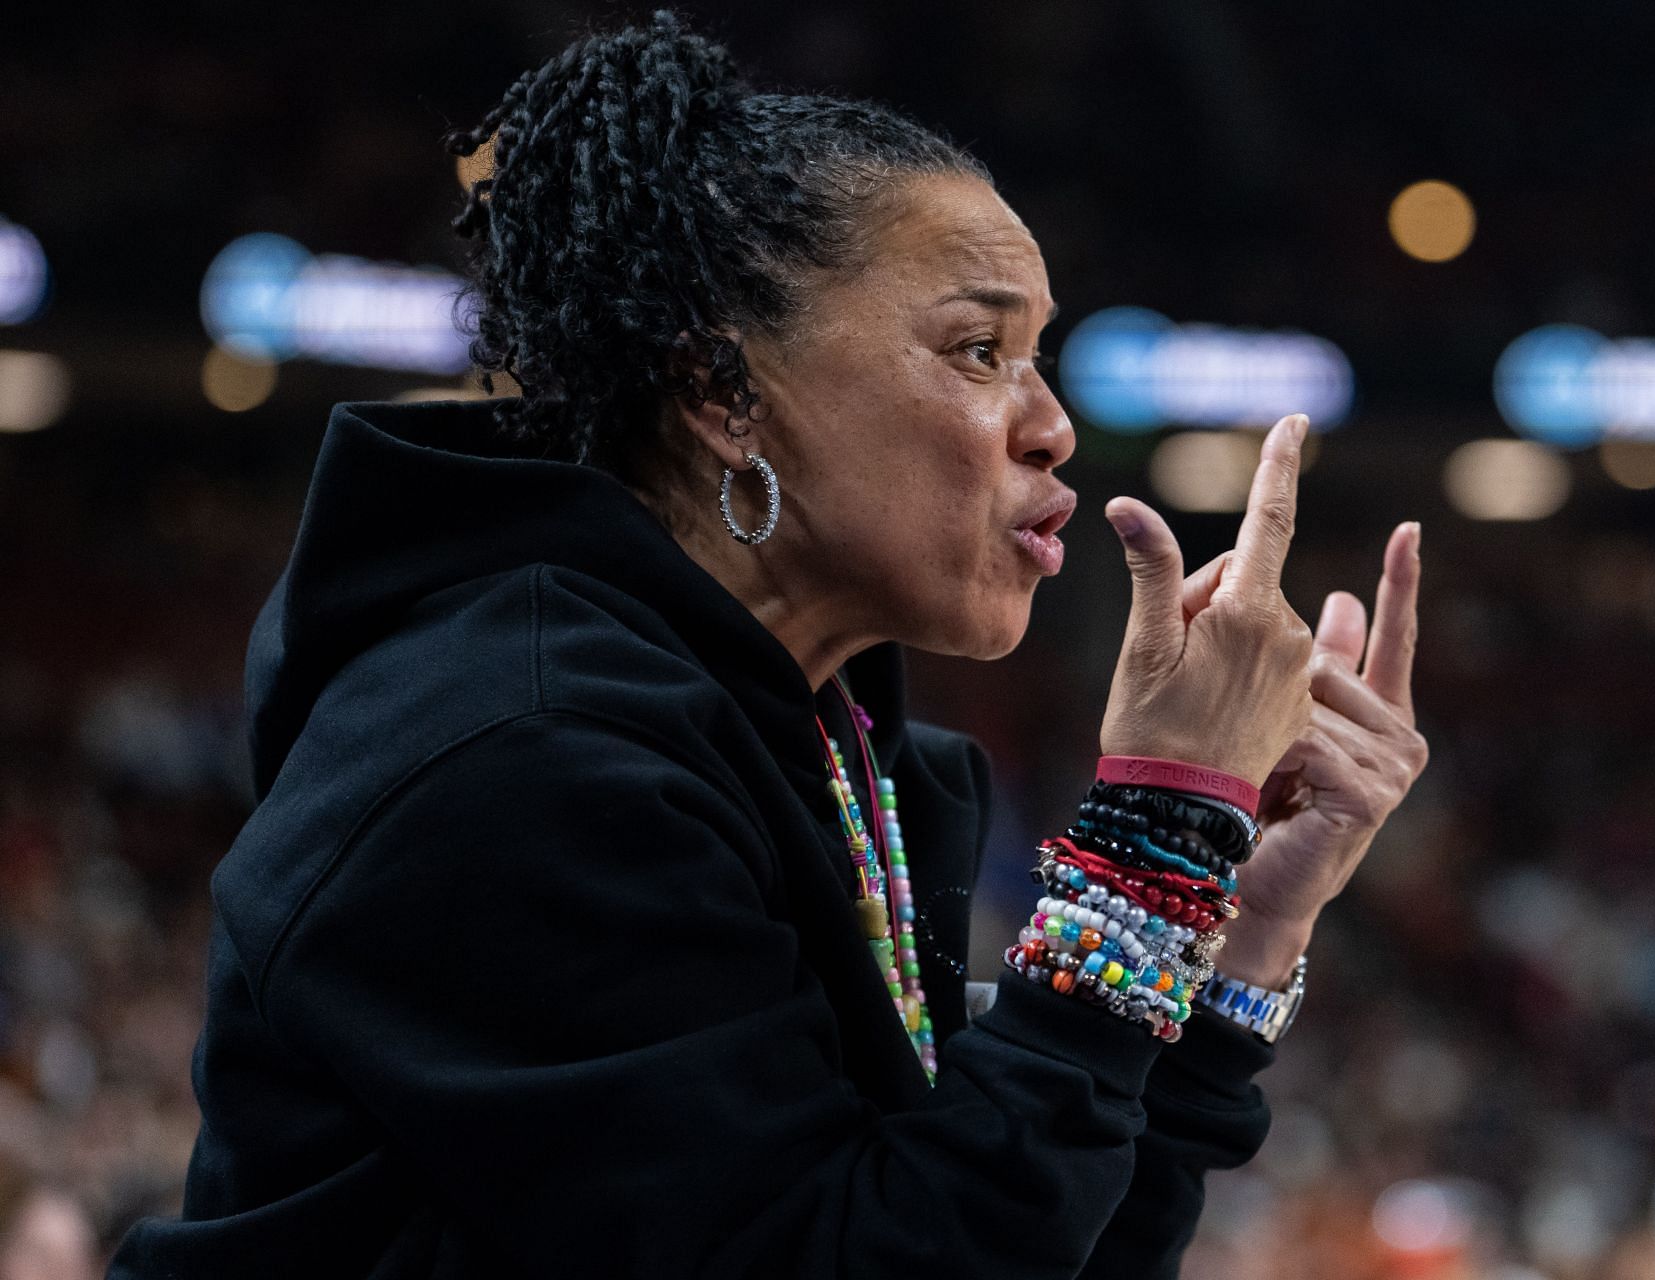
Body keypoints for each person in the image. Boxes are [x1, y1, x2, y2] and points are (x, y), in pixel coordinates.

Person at [109, 13, 1427, 1277]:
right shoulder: (528, 751)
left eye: (1040, 355)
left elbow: (1028, 1240)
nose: (1051, 423)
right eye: (978, 350)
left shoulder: (828, 748)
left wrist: (1234, 937)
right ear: (723, 391)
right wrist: (1148, 848)